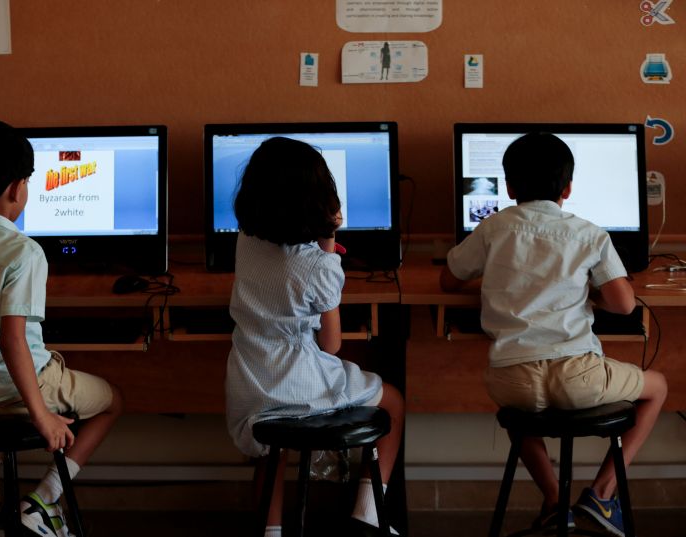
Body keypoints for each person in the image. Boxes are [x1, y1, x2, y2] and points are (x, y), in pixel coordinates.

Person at [440, 132, 667, 537]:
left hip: (512, 379)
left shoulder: (493, 228)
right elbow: (624, 305)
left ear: (509, 187)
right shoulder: (589, 233)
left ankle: (552, 501)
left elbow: (448, 280)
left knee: (518, 409)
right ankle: (601, 492)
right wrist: (590, 289)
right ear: (568, 188)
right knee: (660, 386)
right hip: (578, 375)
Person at [0, 119, 123, 537]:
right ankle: (43, 501)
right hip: (19, 394)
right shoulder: (24, 252)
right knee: (113, 401)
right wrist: (41, 415)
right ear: (17, 189)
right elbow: (12, 341)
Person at [225, 137, 405, 537]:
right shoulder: (320, 268)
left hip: (250, 383)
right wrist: (328, 245)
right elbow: (331, 345)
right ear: (321, 201)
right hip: (297, 385)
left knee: (273, 447)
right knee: (392, 400)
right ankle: (368, 515)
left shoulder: (246, 240)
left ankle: (270, 531)